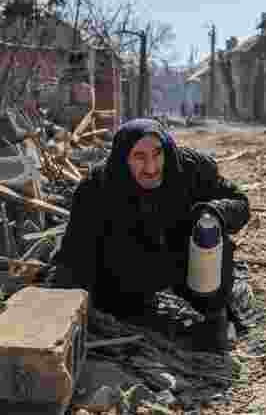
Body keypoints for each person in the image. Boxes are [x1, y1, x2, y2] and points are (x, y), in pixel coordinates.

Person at [47, 118, 250, 352]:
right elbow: (75, 254)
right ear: (123, 157)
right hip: (128, 271)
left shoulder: (191, 168)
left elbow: (240, 203)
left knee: (211, 233)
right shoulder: (98, 186)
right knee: (117, 309)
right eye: (139, 157)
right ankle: (135, 310)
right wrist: (60, 306)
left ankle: (215, 315)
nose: (151, 168)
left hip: (182, 264)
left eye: (157, 154)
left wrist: (216, 211)